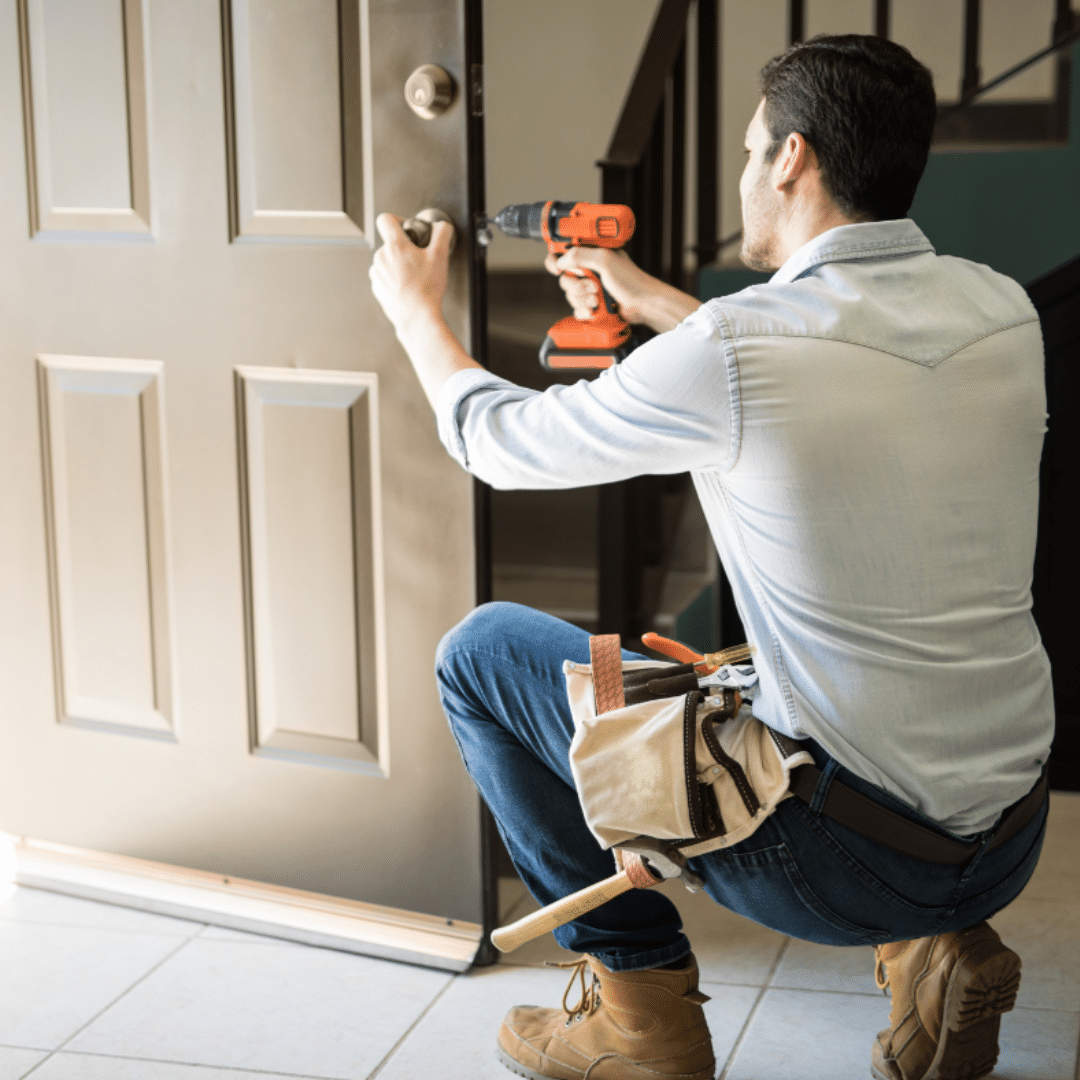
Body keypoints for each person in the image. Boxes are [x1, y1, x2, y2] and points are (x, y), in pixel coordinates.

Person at [369, 34, 1052, 1080]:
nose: (743, 171)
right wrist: (652, 302)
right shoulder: (1002, 308)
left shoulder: (736, 347)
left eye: (747, 149)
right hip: (1007, 837)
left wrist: (418, 313)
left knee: (483, 651)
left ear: (792, 158)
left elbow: (497, 444)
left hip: (839, 862)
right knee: (802, 670)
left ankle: (638, 1011)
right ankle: (938, 947)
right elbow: (814, 375)